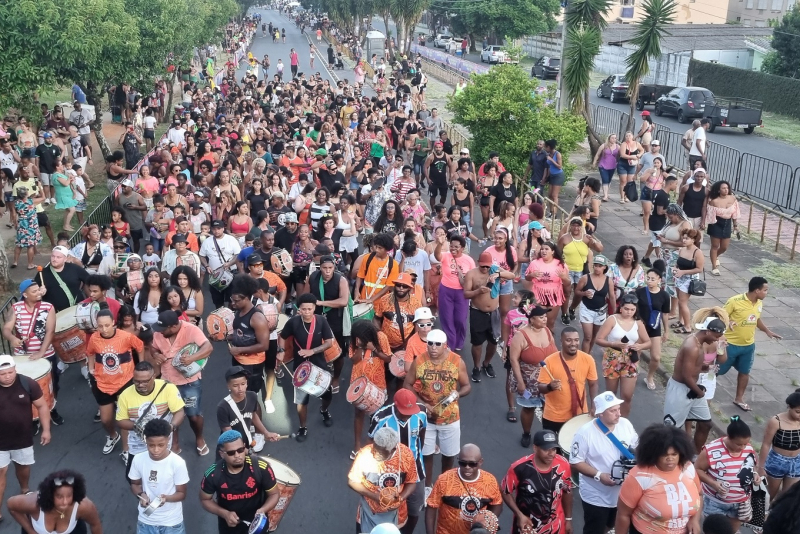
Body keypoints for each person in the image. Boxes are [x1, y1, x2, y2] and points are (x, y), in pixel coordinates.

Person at [403, 329, 471, 487]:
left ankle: (443, 485)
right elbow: (407, 383)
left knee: (449, 455)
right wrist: (421, 403)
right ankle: (427, 486)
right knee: (426, 454)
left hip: (450, 417)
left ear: (445, 345)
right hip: (425, 416)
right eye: (430, 343)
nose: (433, 347)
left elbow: (467, 386)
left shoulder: (457, 361)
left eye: (437, 344)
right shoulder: (419, 360)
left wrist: (458, 394)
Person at [570, 392, 639, 534]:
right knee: (594, 529)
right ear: (600, 413)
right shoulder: (584, 433)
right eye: (613, 411)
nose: (618, 414)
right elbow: (575, 462)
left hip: (622, 492)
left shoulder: (625, 424)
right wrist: (599, 475)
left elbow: (637, 448)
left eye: (618, 409)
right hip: (595, 495)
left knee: (610, 525)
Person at [615, 424, 702, 534]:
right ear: (654, 454)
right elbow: (623, 514)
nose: (670, 459)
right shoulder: (639, 476)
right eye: (664, 455)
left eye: (674, 454)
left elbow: (699, 494)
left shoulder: (688, 467)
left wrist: (694, 520)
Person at [4, 279, 65, 429]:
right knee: (25, 388)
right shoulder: (16, 308)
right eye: (34, 291)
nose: (39, 293)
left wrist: (41, 352)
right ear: (24, 294)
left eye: (39, 290)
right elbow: (6, 328)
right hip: (22, 357)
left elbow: (50, 331)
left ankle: (52, 409)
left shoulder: (48, 307)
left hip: (46, 354)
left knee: (51, 385)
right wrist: (12, 338)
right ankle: (34, 418)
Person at [151, 310, 213, 456]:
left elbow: (208, 347)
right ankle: (174, 441)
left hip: (189, 382)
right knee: (171, 415)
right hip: (167, 382)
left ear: (173, 326)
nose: (159, 332)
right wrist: (156, 355)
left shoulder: (191, 330)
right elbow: (153, 347)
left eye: (163, 329)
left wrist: (193, 358)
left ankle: (199, 438)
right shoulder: (159, 333)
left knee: (194, 415)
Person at [0, 355, 52, 520]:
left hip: (23, 438)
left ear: (15, 369)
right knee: (1, 471)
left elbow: (42, 406)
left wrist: (46, 430)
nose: (8, 376)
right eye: (3, 374)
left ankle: (24, 489)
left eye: (10, 372)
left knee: (23, 467)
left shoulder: (28, 383)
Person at [369, 390, 429, 534]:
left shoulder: (421, 413)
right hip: (389, 471)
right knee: (385, 506)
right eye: (404, 410)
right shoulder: (381, 418)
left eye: (411, 410)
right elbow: (372, 443)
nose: (409, 414)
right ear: (395, 406)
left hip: (416, 468)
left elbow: (422, 436)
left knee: (415, 508)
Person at [279, 293, 336, 442]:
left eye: (309, 309)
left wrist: (312, 351)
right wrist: (281, 351)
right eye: (303, 309)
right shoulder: (294, 322)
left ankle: (323, 410)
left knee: (327, 395)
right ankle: (303, 427)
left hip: (319, 365)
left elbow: (329, 342)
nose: (307, 312)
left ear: (314, 308)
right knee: (301, 401)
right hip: (300, 367)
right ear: (299, 309)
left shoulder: (321, 321)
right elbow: (282, 337)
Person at [199, 430, 281, 534]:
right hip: (229, 528)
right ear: (222, 454)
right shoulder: (213, 474)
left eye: (240, 450)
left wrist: (262, 510)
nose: (237, 455)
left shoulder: (260, 467)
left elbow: (274, 494)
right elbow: (205, 499)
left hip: (258, 527)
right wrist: (225, 514)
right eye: (231, 452)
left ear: (244, 447)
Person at [663, 317, 725, 453]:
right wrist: (700, 392)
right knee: (671, 430)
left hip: (692, 388)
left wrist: (704, 367)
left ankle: (695, 456)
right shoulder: (692, 346)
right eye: (716, 336)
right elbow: (686, 376)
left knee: (705, 424)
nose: (716, 340)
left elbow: (692, 367)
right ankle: (667, 458)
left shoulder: (699, 342)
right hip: (681, 389)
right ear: (708, 331)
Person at [87, 309, 144, 455]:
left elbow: (140, 347)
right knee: (105, 420)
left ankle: (126, 450)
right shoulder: (94, 338)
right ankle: (113, 436)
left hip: (124, 382)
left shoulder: (125, 336)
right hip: (102, 383)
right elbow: (90, 353)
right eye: (100, 326)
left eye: (107, 325)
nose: (104, 329)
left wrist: (140, 367)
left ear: (113, 323)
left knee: (123, 418)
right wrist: (90, 368)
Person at [720, 276, 781, 412]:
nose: (766, 293)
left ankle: (739, 398)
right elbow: (720, 315)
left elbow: (757, 319)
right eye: (765, 290)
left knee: (744, 372)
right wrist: (728, 322)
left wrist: (767, 331)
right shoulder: (734, 301)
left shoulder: (759, 303)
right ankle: (700, 389)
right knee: (717, 370)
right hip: (730, 345)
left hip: (748, 346)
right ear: (757, 290)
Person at [116, 361, 185, 470]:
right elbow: (120, 420)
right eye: (136, 381)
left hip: (161, 444)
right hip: (137, 445)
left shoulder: (168, 388)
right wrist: (137, 427)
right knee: (133, 477)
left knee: (163, 473)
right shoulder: (125, 395)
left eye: (144, 381)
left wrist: (171, 427)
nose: (140, 385)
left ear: (153, 377)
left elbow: (179, 412)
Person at [348, 427, 419, 534]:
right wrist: (374, 496)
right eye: (374, 448)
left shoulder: (406, 455)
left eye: (379, 452)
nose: (374, 454)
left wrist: (400, 499)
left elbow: (412, 482)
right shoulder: (365, 454)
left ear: (393, 450)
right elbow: (352, 481)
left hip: (398, 516)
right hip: (369, 513)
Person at [502, 429, 573, 534]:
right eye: (546, 449)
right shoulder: (519, 468)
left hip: (555, 527)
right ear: (535, 448)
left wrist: (568, 519)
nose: (551, 453)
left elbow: (567, 491)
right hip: (527, 526)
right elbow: (505, 491)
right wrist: (519, 515)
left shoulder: (563, 464)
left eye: (554, 449)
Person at [695, 416, 758, 533]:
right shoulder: (711, 450)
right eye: (739, 444)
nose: (743, 447)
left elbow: (751, 466)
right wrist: (713, 483)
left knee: (732, 531)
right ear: (729, 437)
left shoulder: (748, 448)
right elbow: (697, 470)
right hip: (715, 502)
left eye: (746, 444)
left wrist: (754, 475)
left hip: (740, 501)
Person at [425, 443, 503, 534]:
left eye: (472, 464)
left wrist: (486, 521)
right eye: (463, 463)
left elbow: (497, 504)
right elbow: (432, 507)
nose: (467, 467)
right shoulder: (444, 480)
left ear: (480, 462)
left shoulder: (490, 481)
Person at [128, 419, 190, 534]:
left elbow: (182, 494)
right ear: (145, 440)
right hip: (145, 521)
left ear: (169, 439)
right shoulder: (138, 459)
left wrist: (166, 498)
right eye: (151, 445)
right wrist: (141, 495)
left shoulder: (178, 463)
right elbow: (135, 484)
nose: (156, 450)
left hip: (171, 523)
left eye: (161, 445)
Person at [594, 293, 651, 417]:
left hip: (630, 359)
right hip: (612, 358)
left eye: (632, 309)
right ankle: (609, 418)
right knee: (611, 394)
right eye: (626, 309)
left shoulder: (638, 323)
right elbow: (599, 339)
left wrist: (639, 346)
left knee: (627, 396)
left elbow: (648, 342)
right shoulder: (612, 319)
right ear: (621, 308)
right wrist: (614, 343)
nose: (629, 312)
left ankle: (623, 421)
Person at [462, 251, 516, 383]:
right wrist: (478, 291)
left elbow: (512, 275)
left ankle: (487, 363)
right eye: (483, 266)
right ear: (478, 262)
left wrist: (498, 274)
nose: (485, 269)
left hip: (494, 313)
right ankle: (476, 366)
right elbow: (466, 294)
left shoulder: (495, 270)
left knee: (493, 341)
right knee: (477, 343)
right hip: (477, 312)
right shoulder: (472, 274)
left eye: (487, 266)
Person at [536, 327, 599, 434]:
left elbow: (593, 384)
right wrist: (549, 387)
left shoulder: (588, 359)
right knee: (552, 449)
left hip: (579, 416)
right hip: (553, 416)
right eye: (568, 340)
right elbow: (540, 387)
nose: (573, 343)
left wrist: (594, 406)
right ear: (561, 341)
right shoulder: (549, 361)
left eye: (576, 340)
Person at [7, 470, 104, 534]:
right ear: (50, 495)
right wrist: (30, 531)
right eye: (59, 496)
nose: (65, 502)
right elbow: (11, 506)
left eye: (69, 496)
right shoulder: (34, 503)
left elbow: (95, 524)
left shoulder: (83, 506)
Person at [349, 320, 393, 456]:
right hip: (359, 382)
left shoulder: (381, 337)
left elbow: (388, 359)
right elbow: (353, 359)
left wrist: (373, 349)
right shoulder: (356, 338)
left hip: (377, 382)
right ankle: (357, 446)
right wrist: (361, 347)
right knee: (359, 414)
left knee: (378, 416)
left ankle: (375, 446)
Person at [217, 367, 280, 455]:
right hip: (232, 448)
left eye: (243, 384)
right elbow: (229, 435)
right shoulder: (223, 407)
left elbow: (253, 416)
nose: (240, 388)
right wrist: (248, 452)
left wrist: (266, 433)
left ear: (247, 383)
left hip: (246, 441)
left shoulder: (252, 396)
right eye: (235, 385)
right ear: (228, 386)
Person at [228, 276, 270, 396]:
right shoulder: (239, 311)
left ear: (246, 298)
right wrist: (225, 337)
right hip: (238, 360)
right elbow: (241, 333)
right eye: (232, 300)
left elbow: (264, 345)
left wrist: (239, 350)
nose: (233, 303)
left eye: (236, 301)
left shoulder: (257, 318)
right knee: (240, 395)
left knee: (251, 397)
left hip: (252, 365)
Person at [434, 234, 475, 350]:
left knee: (460, 319)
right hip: (446, 290)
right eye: (451, 246)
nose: (453, 249)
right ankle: (450, 343)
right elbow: (437, 256)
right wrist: (440, 244)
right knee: (447, 318)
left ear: (462, 248)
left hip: (461, 293)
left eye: (456, 247)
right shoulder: (446, 256)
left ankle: (459, 341)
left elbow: (473, 276)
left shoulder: (469, 260)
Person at [758, 389, 800, 500]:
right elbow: (766, 444)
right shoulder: (776, 421)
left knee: (788, 497)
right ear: (789, 407)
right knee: (768, 495)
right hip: (777, 461)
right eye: (798, 412)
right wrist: (761, 466)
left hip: (796, 461)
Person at [636, 268, 671, 390]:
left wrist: (666, 331)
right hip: (640, 327)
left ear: (659, 280)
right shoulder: (639, 292)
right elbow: (633, 308)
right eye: (648, 278)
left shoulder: (664, 295)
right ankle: (634, 369)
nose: (649, 281)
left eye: (653, 279)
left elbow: (665, 314)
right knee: (636, 351)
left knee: (656, 357)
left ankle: (650, 376)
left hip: (654, 328)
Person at [575, 255, 615, 354]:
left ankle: (587, 355)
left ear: (605, 267)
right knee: (587, 336)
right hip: (586, 309)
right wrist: (584, 293)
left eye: (600, 266)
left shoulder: (608, 280)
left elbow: (612, 297)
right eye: (595, 265)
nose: (597, 268)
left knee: (593, 336)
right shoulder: (585, 278)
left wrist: (614, 313)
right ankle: (583, 359)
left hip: (601, 311)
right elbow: (576, 291)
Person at [199, 220, 241, 308]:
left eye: (218, 228)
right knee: (217, 301)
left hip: (230, 273)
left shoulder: (231, 239)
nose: (216, 231)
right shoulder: (207, 242)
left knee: (232, 300)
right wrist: (206, 266)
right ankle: (220, 318)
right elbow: (202, 256)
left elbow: (238, 255)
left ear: (223, 229)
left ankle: (231, 317)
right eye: (214, 229)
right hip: (215, 275)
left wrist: (230, 263)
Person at [704, 180, 739, 276]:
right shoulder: (714, 202)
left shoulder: (732, 199)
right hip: (716, 223)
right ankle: (714, 267)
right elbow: (710, 217)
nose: (726, 190)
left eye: (727, 188)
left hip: (727, 224)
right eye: (723, 188)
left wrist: (735, 226)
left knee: (724, 247)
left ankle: (715, 257)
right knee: (714, 246)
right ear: (719, 190)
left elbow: (735, 214)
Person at [355, 233, 401, 304]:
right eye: (376, 247)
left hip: (382, 301)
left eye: (380, 248)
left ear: (387, 249)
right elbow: (360, 275)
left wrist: (372, 299)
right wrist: (357, 290)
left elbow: (389, 286)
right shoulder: (367, 258)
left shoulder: (393, 264)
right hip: (364, 297)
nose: (376, 250)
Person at [41, 246, 89, 312]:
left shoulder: (74, 268)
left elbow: (90, 280)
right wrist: (39, 292)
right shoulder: (42, 273)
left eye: (58, 257)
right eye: (53, 256)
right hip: (54, 313)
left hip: (77, 308)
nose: (54, 259)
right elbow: (33, 291)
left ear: (65, 259)